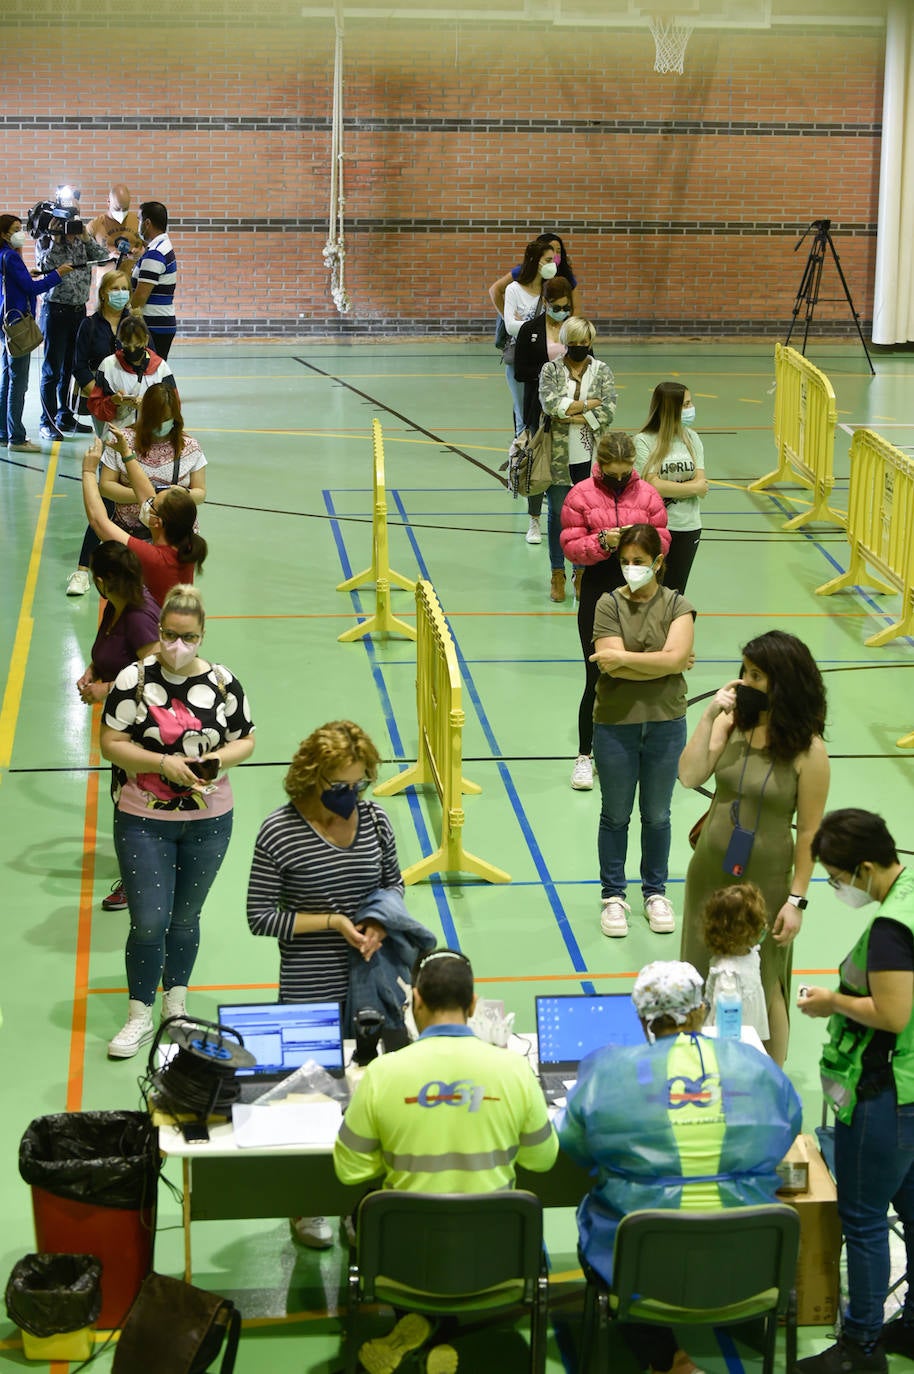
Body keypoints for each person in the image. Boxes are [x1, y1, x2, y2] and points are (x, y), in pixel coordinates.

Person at [557, 959, 801, 1374]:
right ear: (702, 1009)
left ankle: (663, 1357)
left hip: (643, 1271)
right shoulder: (756, 1065)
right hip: (749, 1263)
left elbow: (576, 1149)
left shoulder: (607, 1073)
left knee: (593, 1216)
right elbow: (788, 1128)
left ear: (641, 1017)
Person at [248, 720, 433, 1251]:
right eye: (340, 785)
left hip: (374, 982)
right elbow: (260, 916)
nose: (350, 795)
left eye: (358, 783)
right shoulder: (279, 832)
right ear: (312, 777)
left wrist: (378, 921)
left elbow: (393, 882)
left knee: (371, 1098)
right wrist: (332, 922)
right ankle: (308, 1206)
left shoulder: (375, 819)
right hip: (309, 984)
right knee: (314, 1096)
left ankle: (362, 1205)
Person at [334, 947, 558, 1374]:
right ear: (473, 1005)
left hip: (402, 1258)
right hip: (495, 1258)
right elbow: (543, 1160)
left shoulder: (382, 1074)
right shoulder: (514, 1071)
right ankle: (450, 1336)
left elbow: (349, 1170)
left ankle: (423, 1323)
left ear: (414, 1000)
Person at [99, 583, 255, 1059]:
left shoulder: (224, 683)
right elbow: (110, 742)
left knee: (185, 919)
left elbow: (245, 739)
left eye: (187, 637)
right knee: (149, 921)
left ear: (202, 634)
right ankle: (139, 1013)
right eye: (169, 634)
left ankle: (176, 1004)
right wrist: (158, 763)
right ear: (160, 629)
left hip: (209, 821)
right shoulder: (134, 680)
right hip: (143, 819)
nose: (176, 645)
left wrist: (218, 760)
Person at [796, 809, 914, 1374]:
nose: (837, 887)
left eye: (838, 877)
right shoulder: (911, 890)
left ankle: (861, 1349)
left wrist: (832, 1002)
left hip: (884, 1093)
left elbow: (892, 1013)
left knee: (864, 1217)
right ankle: (913, 1323)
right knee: (913, 1208)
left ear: (865, 867)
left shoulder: (891, 932)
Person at [678, 630, 830, 1065]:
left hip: (767, 882)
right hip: (709, 868)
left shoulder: (809, 751)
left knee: (765, 979)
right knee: (698, 963)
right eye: (743, 671)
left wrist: (797, 900)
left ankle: (770, 1077)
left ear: (783, 682)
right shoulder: (733, 727)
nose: (745, 681)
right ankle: (698, 1065)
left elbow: (809, 835)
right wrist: (710, 718)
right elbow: (689, 776)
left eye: (757, 674)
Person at [589, 524, 695, 937]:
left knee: (657, 814)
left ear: (658, 562)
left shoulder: (678, 605)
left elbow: (658, 660)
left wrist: (631, 661)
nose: (632, 569)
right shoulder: (607, 604)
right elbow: (610, 659)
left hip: (667, 723)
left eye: (639, 562)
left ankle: (654, 892)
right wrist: (665, 661)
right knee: (615, 815)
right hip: (615, 724)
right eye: (625, 562)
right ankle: (613, 896)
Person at [560, 432, 670, 791]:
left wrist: (638, 541)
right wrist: (601, 542)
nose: (620, 480)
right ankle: (584, 756)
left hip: (640, 590)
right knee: (598, 675)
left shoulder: (648, 494)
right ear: (601, 465)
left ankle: (635, 749)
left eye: (625, 474)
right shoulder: (581, 495)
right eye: (613, 473)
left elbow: (663, 539)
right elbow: (570, 544)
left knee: (641, 670)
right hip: (598, 587)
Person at [76, 542, 161, 914]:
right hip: (121, 724)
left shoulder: (140, 616)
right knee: (124, 799)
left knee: (135, 805)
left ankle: (138, 881)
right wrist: (93, 670)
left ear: (100, 580)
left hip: (144, 732)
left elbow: (156, 677)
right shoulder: (117, 604)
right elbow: (109, 653)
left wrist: (104, 690)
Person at [537, 316, 618, 603]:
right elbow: (551, 406)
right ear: (565, 342)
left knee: (585, 517)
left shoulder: (602, 371)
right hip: (558, 457)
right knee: (559, 515)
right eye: (574, 342)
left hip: (591, 456)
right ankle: (557, 573)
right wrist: (589, 405)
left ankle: (581, 572)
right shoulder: (551, 370)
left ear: (590, 342)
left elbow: (609, 410)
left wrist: (573, 412)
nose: (579, 347)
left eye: (584, 342)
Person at [65, 270, 133, 597]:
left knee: (129, 481)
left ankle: (124, 551)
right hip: (103, 409)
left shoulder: (133, 324)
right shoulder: (89, 326)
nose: (120, 293)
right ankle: (82, 568)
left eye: (125, 288)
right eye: (115, 289)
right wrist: (102, 398)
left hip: (133, 410)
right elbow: (78, 366)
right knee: (110, 481)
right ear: (104, 293)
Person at [81, 431, 207, 606]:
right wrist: (126, 453)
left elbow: (98, 521)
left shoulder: (153, 557)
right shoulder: (186, 545)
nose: (148, 501)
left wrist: (88, 471)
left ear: (157, 522)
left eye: (153, 503)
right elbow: (147, 494)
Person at [34, 196, 111, 440]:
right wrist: (57, 241)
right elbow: (43, 264)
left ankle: (64, 416)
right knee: (52, 370)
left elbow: (103, 256)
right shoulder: (46, 240)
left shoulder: (81, 239)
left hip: (79, 311)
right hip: (56, 311)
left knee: (70, 368)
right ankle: (46, 421)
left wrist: (86, 237)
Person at [0, 213, 72, 453]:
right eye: (16, 229)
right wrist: (57, 275)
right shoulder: (10, 257)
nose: (20, 232)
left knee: (7, 379)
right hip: (18, 325)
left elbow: (17, 284)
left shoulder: (5, 256)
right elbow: (32, 288)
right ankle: (17, 438)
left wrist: (26, 275)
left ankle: (3, 432)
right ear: (4, 234)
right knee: (18, 383)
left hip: (6, 323)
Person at [98, 385, 206, 539]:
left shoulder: (191, 446)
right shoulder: (122, 440)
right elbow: (106, 486)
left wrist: (184, 494)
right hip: (130, 533)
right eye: (155, 419)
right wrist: (151, 497)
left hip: (176, 536)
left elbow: (200, 494)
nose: (160, 424)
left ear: (175, 417)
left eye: (166, 419)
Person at [513, 274, 573, 549]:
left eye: (566, 307)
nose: (562, 312)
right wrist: (550, 374)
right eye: (557, 306)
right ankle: (534, 519)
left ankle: (566, 518)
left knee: (567, 466)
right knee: (538, 464)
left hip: (570, 409)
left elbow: (590, 357)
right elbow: (522, 371)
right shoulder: (530, 330)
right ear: (546, 303)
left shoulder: (574, 329)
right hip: (538, 408)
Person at [633, 381, 708, 593]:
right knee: (648, 592)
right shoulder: (644, 441)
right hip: (656, 528)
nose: (690, 409)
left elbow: (701, 483)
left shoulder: (692, 438)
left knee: (675, 593)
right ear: (670, 409)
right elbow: (651, 485)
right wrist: (690, 488)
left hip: (688, 526)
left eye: (690, 403)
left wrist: (671, 487)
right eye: (685, 404)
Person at [499, 238, 557, 436]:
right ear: (535, 260)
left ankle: (539, 460)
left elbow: (557, 324)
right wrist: (540, 326)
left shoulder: (550, 290)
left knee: (542, 414)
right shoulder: (513, 289)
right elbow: (510, 326)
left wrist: (524, 324)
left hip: (545, 359)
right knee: (523, 414)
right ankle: (520, 460)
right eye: (548, 260)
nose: (552, 265)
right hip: (520, 359)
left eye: (553, 260)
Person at [702, 882, 770, 1040]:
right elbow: (720, 1022)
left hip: (749, 1025)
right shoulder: (727, 973)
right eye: (758, 925)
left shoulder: (751, 953)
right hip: (732, 1036)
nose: (764, 927)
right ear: (740, 933)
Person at [87, 312, 176, 427]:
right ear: (120, 341)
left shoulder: (161, 368)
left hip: (151, 438)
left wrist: (148, 405)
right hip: (116, 437)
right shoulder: (108, 366)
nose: (132, 350)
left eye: (136, 344)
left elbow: (173, 408)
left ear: (146, 340)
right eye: (127, 345)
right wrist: (113, 401)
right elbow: (96, 409)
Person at [131, 201, 177, 359]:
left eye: (139, 220)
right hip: (159, 325)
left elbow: (139, 299)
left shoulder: (155, 253)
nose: (138, 225)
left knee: (150, 376)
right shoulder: (160, 247)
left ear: (147, 223)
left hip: (154, 327)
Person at [87, 184, 144, 267]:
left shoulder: (138, 221)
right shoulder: (94, 226)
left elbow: (149, 247)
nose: (121, 213)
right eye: (117, 209)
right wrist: (107, 257)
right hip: (106, 277)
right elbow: (85, 256)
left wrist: (141, 252)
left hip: (132, 277)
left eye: (125, 209)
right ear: (108, 202)